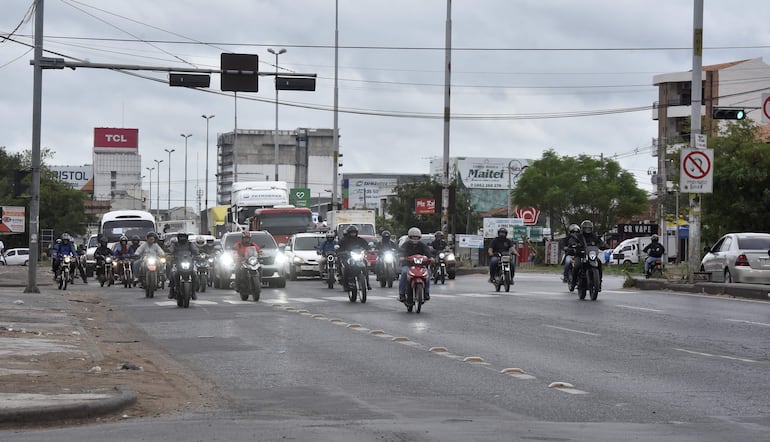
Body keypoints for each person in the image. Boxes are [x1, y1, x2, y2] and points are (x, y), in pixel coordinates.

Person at [570, 220, 609, 291]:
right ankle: (573, 282)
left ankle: (599, 282)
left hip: (591, 255)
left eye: (589, 228)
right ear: (582, 228)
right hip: (580, 255)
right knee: (577, 265)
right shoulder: (579, 236)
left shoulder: (594, 236)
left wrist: (604, 245)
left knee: (599, 263)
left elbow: (599, 242)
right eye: (586, 228)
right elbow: (573, 241)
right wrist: (575, 245)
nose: (587, 230)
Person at [398, 227, 433, 302]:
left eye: (416, 237)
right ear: (410, 237)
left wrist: (431, 258)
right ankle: (402, 293)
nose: (415, 238)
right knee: (404, 273)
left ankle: (426, 292)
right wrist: (402, 257)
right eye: (413, 237)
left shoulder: (422, 245)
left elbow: (427, 252)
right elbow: (401, 251)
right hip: (408, 265)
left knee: (428, 274)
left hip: (420, 266)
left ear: (419, 237)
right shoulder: (406, 244)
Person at [337, 225, 372, 290]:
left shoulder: (360, 240)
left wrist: (369, 249)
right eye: (351, 232)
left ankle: (367, 283)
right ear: (348, 233)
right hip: (348, 257)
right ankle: (345, 285)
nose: (353, 234)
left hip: (359, 257)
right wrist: (341, 252)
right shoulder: (344, 240)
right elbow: (339, 247)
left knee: (365, 264)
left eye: (354, 232)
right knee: (346, 267)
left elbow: (366, 246)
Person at [167, 232, 200, 299]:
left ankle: (193, 292)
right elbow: (171, 250)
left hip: (188, 263)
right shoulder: (175, 244)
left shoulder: (190, 244)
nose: (182, 238)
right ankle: (172, 290)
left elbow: (195, 250)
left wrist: (197, 254)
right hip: (177, 263)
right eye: (181, 237)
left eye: (184, 237)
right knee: (173, 274)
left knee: (194, 274)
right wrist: (170, 253)